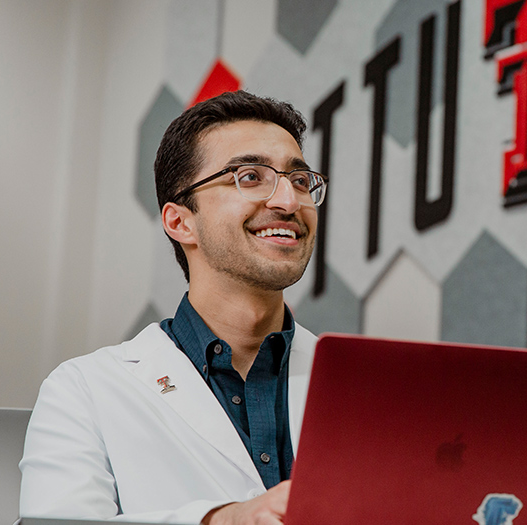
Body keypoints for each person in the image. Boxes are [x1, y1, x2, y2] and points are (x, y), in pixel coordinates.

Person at [19, 91, 327, 524]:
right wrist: (220, 520)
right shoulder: (84, 389)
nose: (289, 202)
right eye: (250, 176)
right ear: (180, 222)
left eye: (298, 180)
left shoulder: (365, 388)